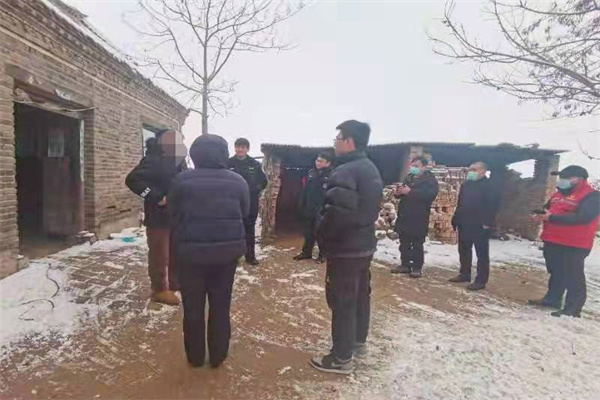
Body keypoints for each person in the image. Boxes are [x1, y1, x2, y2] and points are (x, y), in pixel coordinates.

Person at [168, 134, 249, 368]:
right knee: (221, 306)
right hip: (226, 255)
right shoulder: (238, 181)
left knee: (192, 307)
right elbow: (244, 211)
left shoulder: (181, 180)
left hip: (190, 254)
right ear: (224, 153)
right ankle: (218, 355)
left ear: (195, 154)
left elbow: (173, 213)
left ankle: (195, 357)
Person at [310, 120, 383, 375]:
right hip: (363, 245)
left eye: (338, 138)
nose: (335, 142)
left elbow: (336, 215)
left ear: (349, 141)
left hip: (345, 249)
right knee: (360, 295)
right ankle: (357, 343)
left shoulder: (345, 171)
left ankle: (341, 358)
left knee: (342, 301)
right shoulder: (369, 167)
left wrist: (321, 233)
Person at [126, 129, 188, 305]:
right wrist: (156, 196)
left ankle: (175, 283)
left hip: (176, 215)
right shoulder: (153, 159)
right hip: (158, 216)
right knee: (160, 255)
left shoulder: (179, 160)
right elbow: (132, 180)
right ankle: (159, 290)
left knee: (176, 251)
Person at [529, 165, 599, 318]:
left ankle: (573, 308)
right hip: (552, 239)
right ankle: (552, 299)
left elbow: (583, 217)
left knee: (573, 275)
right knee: (556, 271)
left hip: (574, 243)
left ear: (578, 179)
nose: (561, 180)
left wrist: (551, 218)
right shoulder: (558, 194)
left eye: (565, 178)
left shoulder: (592, 196)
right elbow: (546, 209)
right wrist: (539, 215)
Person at [449, 161, 499, 291]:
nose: (470, 172)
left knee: (481, 254)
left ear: (483, 171)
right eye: (470, 169)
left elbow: (493, 205)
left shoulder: (490, 186)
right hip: (464, 222)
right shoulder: (466, 185)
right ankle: (464, 274)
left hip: (480, 224)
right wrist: (455, 218)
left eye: (474, 169)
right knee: (464, 249)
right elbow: (460, 203)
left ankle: (481, 280)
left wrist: (487, 222)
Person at [391, 156, 439, 278]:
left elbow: (430, 195)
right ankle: (405, 264)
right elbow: (403, 193)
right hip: (405, 215)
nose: (413, 168)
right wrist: (398, 193)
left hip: (419, 216)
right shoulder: (409, 177)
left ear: (424, 167)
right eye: (412, 165)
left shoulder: (430, 180)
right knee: (404, 242)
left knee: (417, 243)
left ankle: (417, 267)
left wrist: (410, 192)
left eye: (416, 166)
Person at [228, 138, 268, 266]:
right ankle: (233, 257)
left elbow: (264, 181)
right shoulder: (228, 163)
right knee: (233, 230)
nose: (240, 150)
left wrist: (255, 190)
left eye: (243, 147)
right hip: (233, 203)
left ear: (247, 149)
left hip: (250, 202)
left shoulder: (255, 164)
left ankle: (250, 257)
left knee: (249, 229)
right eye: (237, 147)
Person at [293, 151, 333, 263]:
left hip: (322, 209)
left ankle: (322, 255)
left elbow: (334, 194)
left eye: (321, 161)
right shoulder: (311, 173)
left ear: (328, 163)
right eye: (317, 160)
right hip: (309, 207)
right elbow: (304, 191)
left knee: (320, 232)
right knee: (308, 232)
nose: (317, 163)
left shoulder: (332, 176)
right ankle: (306, 252)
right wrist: (302, 204)